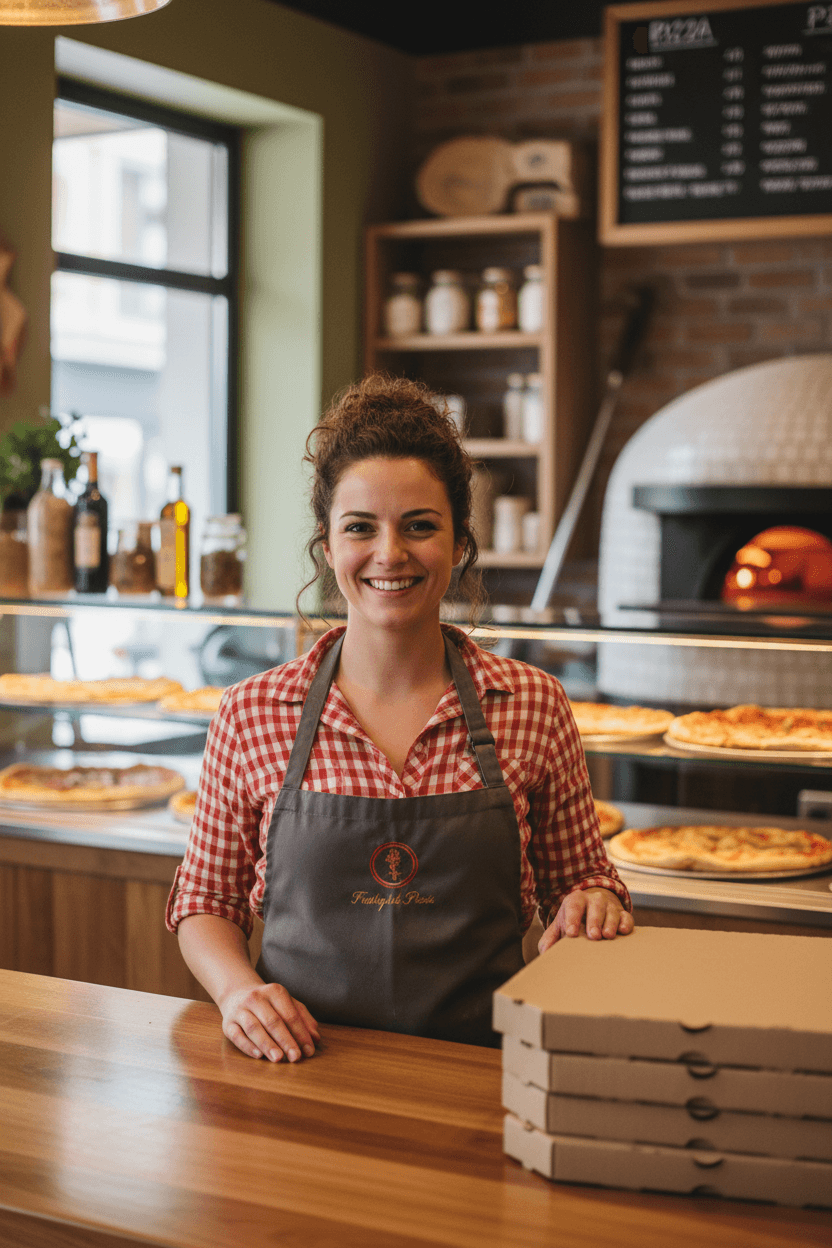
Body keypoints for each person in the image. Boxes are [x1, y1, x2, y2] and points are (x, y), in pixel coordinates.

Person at [167, 374, 633, 1061]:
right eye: (361, 528)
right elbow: (205, 899)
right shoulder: (252, 711)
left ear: (459, 544)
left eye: (420, 526)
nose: (390, 554)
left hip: (482, 1070)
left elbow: (584, 883)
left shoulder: (533, 704)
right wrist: (239, 992)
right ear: (328, 549)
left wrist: (594, 904)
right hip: (297, 1065)